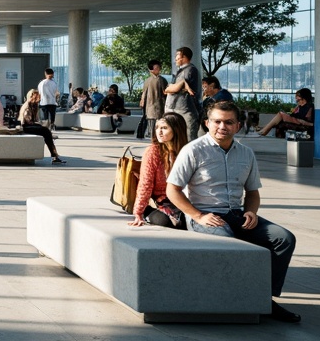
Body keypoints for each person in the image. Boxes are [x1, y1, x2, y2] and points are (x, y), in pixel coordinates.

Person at [166, 101, 300, 323]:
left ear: (238, 126)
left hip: (237, 214)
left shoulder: (246, 154)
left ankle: (264, 299)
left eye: (229, 122)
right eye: (217, 121)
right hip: (205, 215)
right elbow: (173, 190)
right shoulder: (193, 150)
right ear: (207, 123)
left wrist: (251, 212)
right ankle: (235, 300)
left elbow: (253, 193)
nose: (222, 126)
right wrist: (198, 216)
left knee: (283, 238)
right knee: (231, 244)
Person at [128, 112, 189, 228]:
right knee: (167, 223)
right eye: (157, 128)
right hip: (158, 202)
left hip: (182, 199)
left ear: (176, 130)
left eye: (164, 128)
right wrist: (138, 212)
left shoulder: (187, 151)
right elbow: (145, 183)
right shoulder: (153, 151)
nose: (159, 132)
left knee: (188, 221)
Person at [18, 89, 66, 164]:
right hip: (25, 126)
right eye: (36, 97)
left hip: (29, 125)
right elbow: (28, 121)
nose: (38, 99)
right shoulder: (28, 106)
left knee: (46, 131)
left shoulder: (34, 105)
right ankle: (54, 155)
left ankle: (54, 155)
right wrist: (40, 124)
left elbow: (35, 120)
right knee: (46, 131)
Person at [164, 46, 201, 137]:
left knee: (188, 139)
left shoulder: (190, 70)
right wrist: (181, 84)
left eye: (177, 55)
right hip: (176, 109)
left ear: (184, 57)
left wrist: (179, 85)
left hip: (185, 111)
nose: (175, 58)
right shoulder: (180, 71)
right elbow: (167, 89)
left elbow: (173, 89)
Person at [137, 60, 168, 140]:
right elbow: (165, 92)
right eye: (157, 67)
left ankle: (153, 142)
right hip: (159, 107)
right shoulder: (161, 80)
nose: (159, 69)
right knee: (159, 128)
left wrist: (142, 102)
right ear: (152, 69)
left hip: (149, 109)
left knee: (152, 128)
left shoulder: (147, 80)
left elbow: (143, 94)